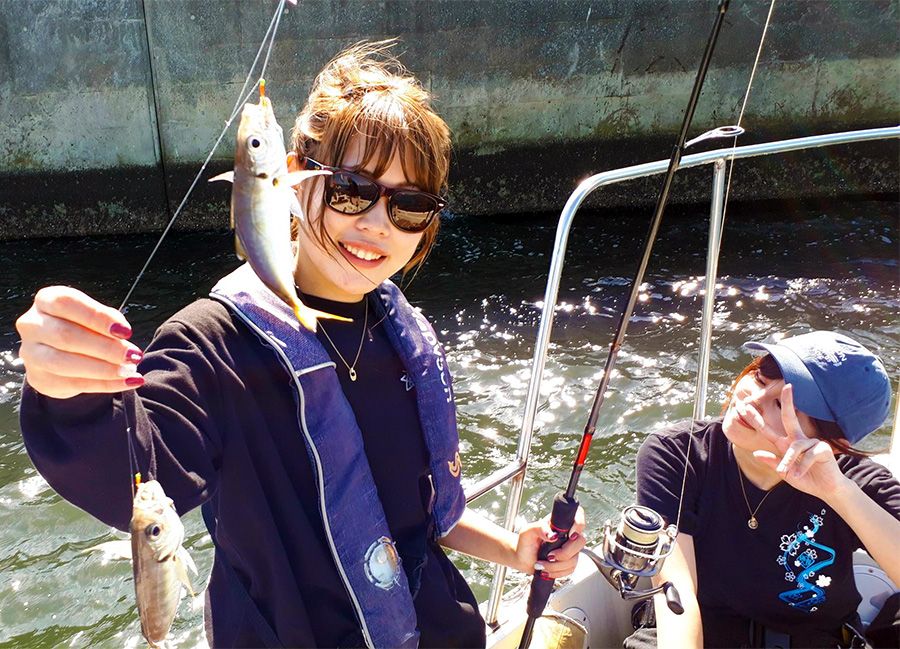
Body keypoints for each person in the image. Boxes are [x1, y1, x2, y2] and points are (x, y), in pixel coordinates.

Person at [15, 42, 585, 648]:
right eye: (350, 190)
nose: (375, 224)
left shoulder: (400, 332)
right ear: (290, 177)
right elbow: (134, 479)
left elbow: (417, 514)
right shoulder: (210, 345)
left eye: (410, 206)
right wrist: (65, 389)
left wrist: (514, 550)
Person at [627, 331, 899, 648]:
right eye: (761, 375)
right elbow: (676, 597)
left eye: (784, 405)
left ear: (830, 443)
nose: (751, 402)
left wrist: (836, 492)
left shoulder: (854, 483)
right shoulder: (677, 453)